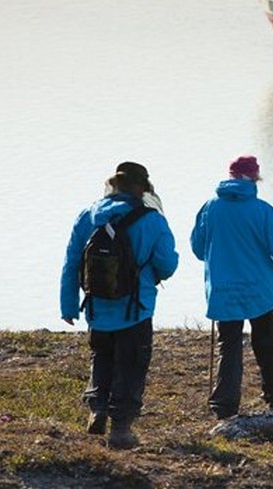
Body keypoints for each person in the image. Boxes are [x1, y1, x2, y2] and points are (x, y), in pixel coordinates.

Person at [60, 161, 179, 449]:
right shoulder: (152, 220)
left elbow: (72, 263)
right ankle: (121, 429)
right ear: (141, 189)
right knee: (132, 364)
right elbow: (167, 263)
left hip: (97, 308)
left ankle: (98, 408)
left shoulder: (88, 217)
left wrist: (68, 306)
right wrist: (151, 272)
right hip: (135, 309)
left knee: (101, 357)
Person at [190, 155, 273, 419]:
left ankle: (224, 405)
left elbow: (199, 249)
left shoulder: (210, 208)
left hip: (223, 291)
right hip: (259, 291)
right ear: (254, 178)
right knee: (265, 341)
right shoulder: (264, 211)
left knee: (229, 345)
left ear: (230, 176)